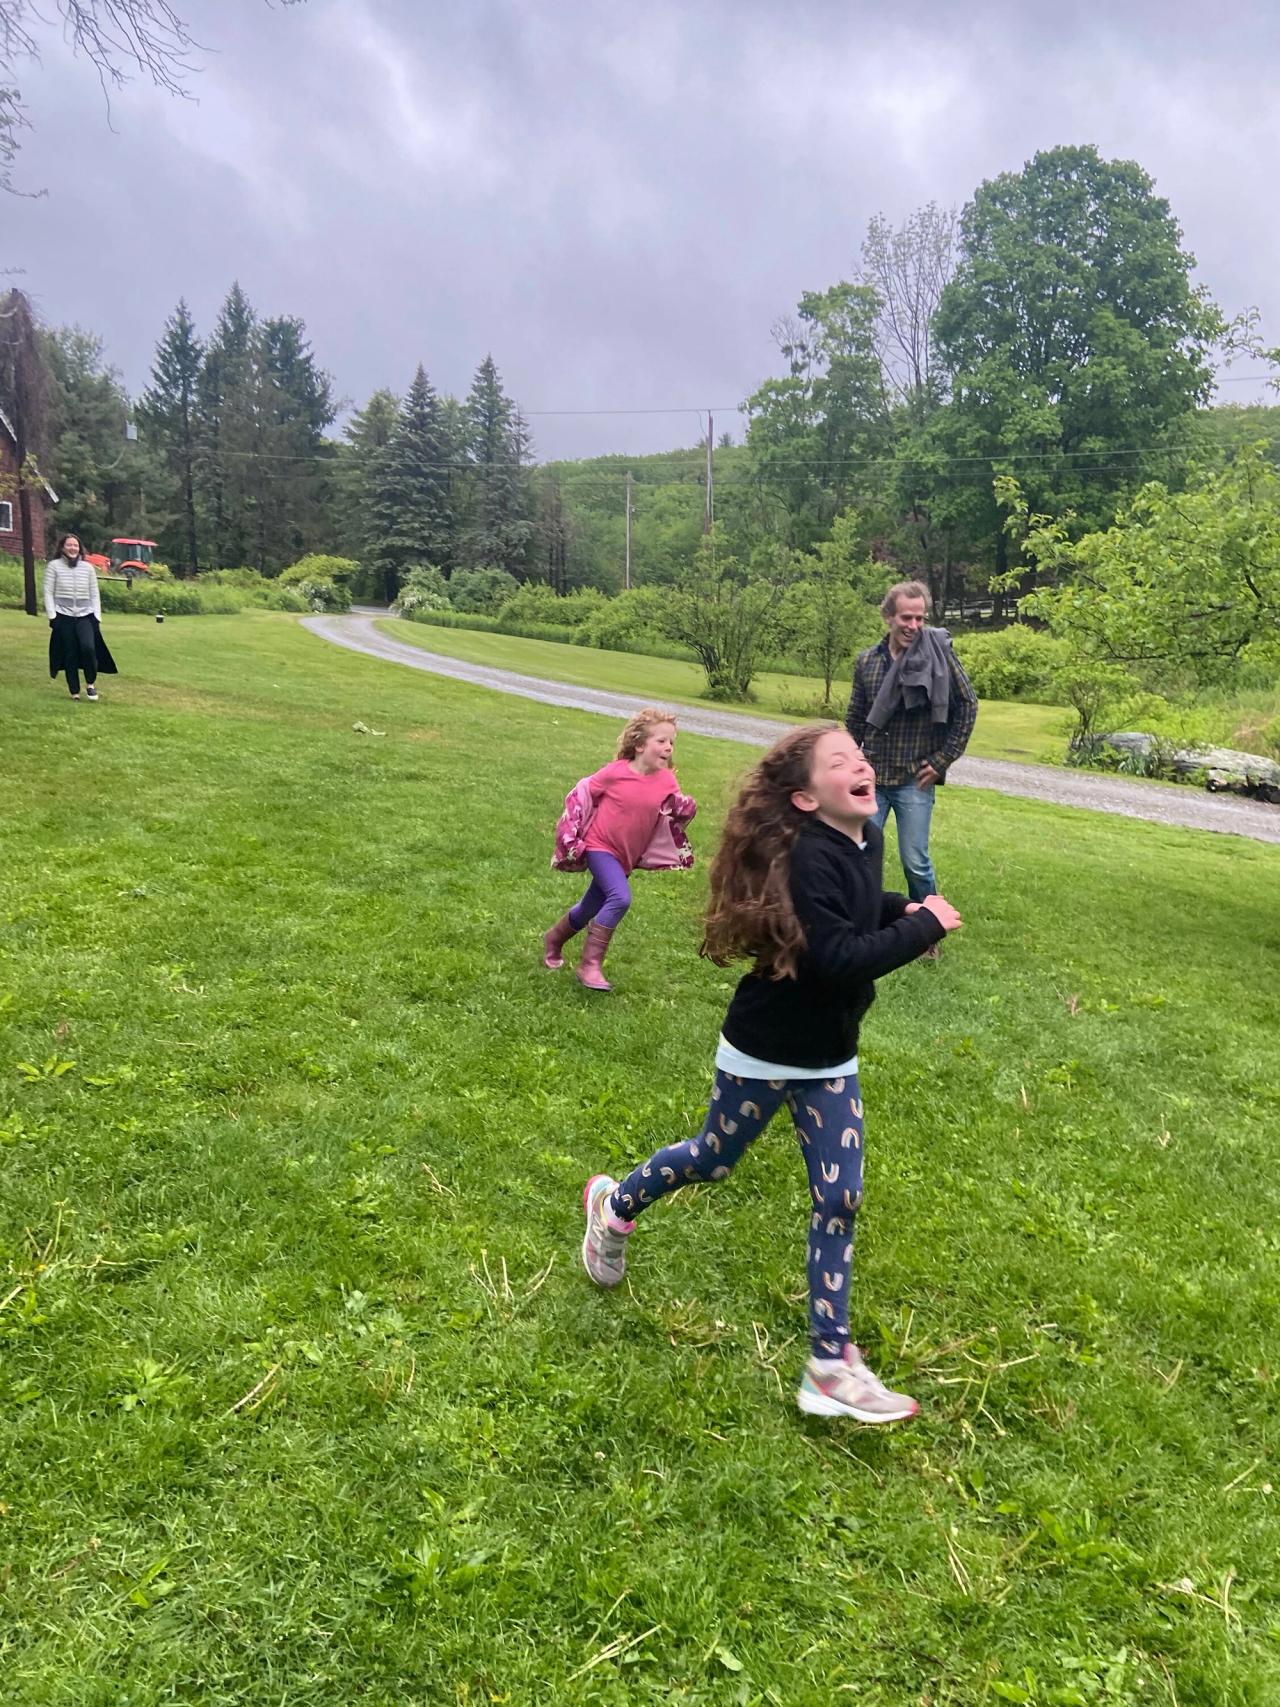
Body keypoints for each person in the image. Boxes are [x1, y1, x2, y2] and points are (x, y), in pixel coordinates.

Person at [580, 724, 962, 1422]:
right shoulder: (808, 855)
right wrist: (923, 926)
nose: (861, 765)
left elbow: (850, 911)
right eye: (839, 762)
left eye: (859, 756)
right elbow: (838, 959)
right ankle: (614, 1208)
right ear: (806, 798)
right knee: (712, 1158)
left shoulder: (866, 837)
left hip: (830, 1056)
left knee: (840, 1197)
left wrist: (897, 906)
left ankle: (829, 1364)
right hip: (765, 1048)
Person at [845, 581, 977, 947]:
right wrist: (850, 760)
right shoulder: (868, 661)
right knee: (858, 855)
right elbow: (855, 716)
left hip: (913, 779)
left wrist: (943, 759)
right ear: (888, 617)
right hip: (871, 777)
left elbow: (968, 705)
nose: (914, 625)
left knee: (915, 861)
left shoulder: (939, 656)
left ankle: (928, 933)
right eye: (906, 617)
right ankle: (858, 924)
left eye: (920, 618)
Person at [544, 708, 697, 993]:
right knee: (620, 897)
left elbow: (673, 809)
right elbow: (583, 793)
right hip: (600, 847)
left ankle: (554, 939)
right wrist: (572, 831)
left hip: (628, 856)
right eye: (661, 741)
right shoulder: (615, 773)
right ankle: (590, 965)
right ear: (639, 745)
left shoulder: (667, 780)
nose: (669, 747)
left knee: (589, 907)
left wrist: (684, 808)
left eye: (671, 742)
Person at [44, 534, 117, 702]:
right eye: (69, 545)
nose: (72, 548)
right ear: (62, 547)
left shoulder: (88, 568)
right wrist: (52, 616)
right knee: (70, 653)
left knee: (88, 648)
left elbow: (94, 593)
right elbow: (48, 592)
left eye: (75, 545)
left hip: (86, 615)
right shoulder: (54, 566)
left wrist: (97, 616)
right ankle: (74, 692)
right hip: (64, 616)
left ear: (80, 548)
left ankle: (90, 684)